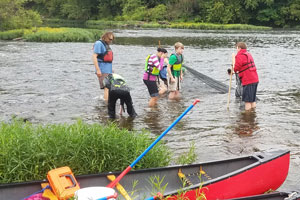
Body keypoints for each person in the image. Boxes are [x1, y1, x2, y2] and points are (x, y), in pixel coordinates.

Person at [232, 42, 259, 111]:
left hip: (248, 81)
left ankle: (247, 117)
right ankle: (253, 115)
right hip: (255, 80)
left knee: (247, 101)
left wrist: (233, 62)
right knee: (252, 100)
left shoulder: (239, 55)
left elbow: (236, 68)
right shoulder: (248, 54)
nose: (236, 50)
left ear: (239, 48)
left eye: (237, 48)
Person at [92, 32, 114, 102]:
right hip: (102, 69)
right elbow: (94, 57)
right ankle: (106, 104)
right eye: (110, 39)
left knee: (109, 87)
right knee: (107, 87)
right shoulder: (99, 44)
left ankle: (107, 103)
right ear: (105, 37)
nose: (111, 41)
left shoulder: (106, 44)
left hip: (108, 70)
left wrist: (111, 69)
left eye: (112, 39)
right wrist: (98, 70)